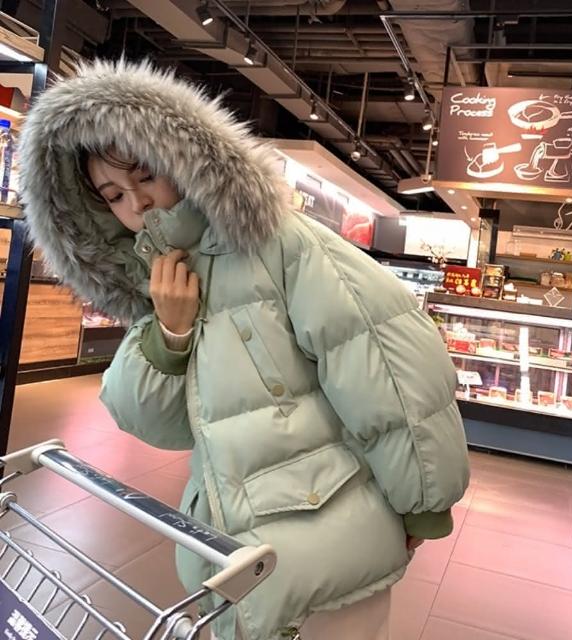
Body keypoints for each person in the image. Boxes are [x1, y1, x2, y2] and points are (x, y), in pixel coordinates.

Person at [18, 59, 470, 640]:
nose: (137, 203)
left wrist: (424, 499)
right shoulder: (163, 276)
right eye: (112, 195)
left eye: (145, 175)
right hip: (228, 550)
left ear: (182, 159)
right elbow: (146, 418)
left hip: (327, 547)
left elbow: (386, 363)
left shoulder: (280, 242)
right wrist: (169, 332)